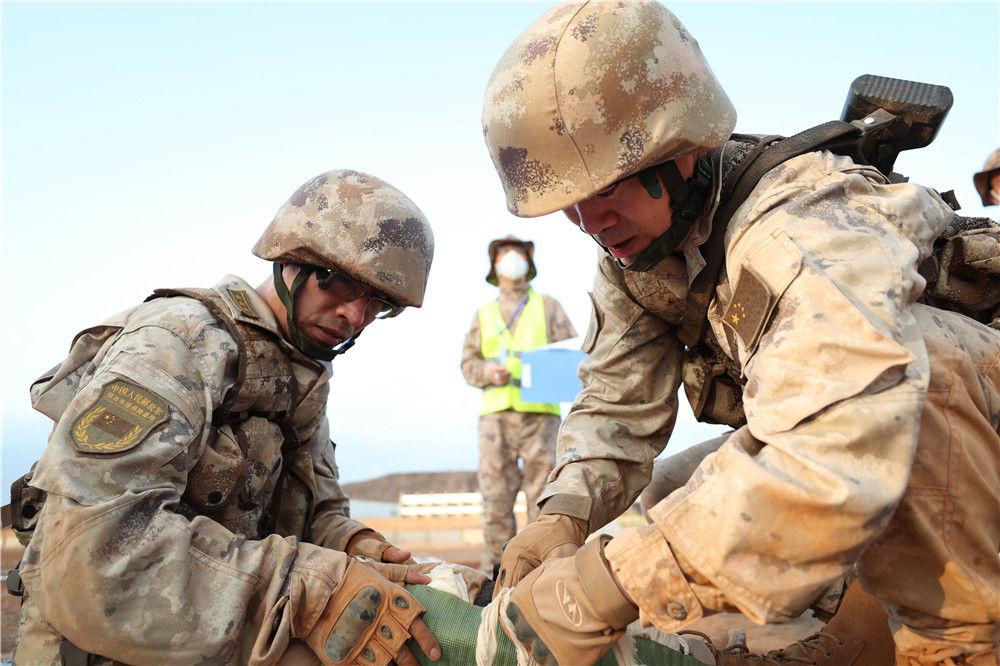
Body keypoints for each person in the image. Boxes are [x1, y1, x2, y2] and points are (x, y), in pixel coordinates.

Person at [479, 2, 999, 665]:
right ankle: (856, 630)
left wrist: (606, 584)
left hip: (961, 431)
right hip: (912, 456)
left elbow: (844, 438)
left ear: (682, 148)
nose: (589, 219)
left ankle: (957, 643)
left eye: (606, 186)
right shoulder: (638, 257)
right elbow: (615, 405)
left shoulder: (799, 221)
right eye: (569, 201)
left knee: (912, 373)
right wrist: (565, 517)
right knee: (669, 495)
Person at [10, 170, 444, 666]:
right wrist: (314, 589)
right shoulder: (179, 343)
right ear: (291, 259)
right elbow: (93, 556)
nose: (356, 316)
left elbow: (310, 515)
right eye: (342, 284)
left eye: (378, 304)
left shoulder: (298, 376)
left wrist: (353, 545)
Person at [460, 236, 576, 572]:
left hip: (541, 418)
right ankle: (496, 577)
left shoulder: (549, 306)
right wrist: (486, 372)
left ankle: (544, 574)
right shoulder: (483, 314)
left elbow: (572, 355)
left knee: (544, 498)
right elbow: (467, 364)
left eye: (518, 253)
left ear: (529, 262)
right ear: (494, 265)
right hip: (495, 419)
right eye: (504, 254)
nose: (512, 259)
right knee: (496, 501)